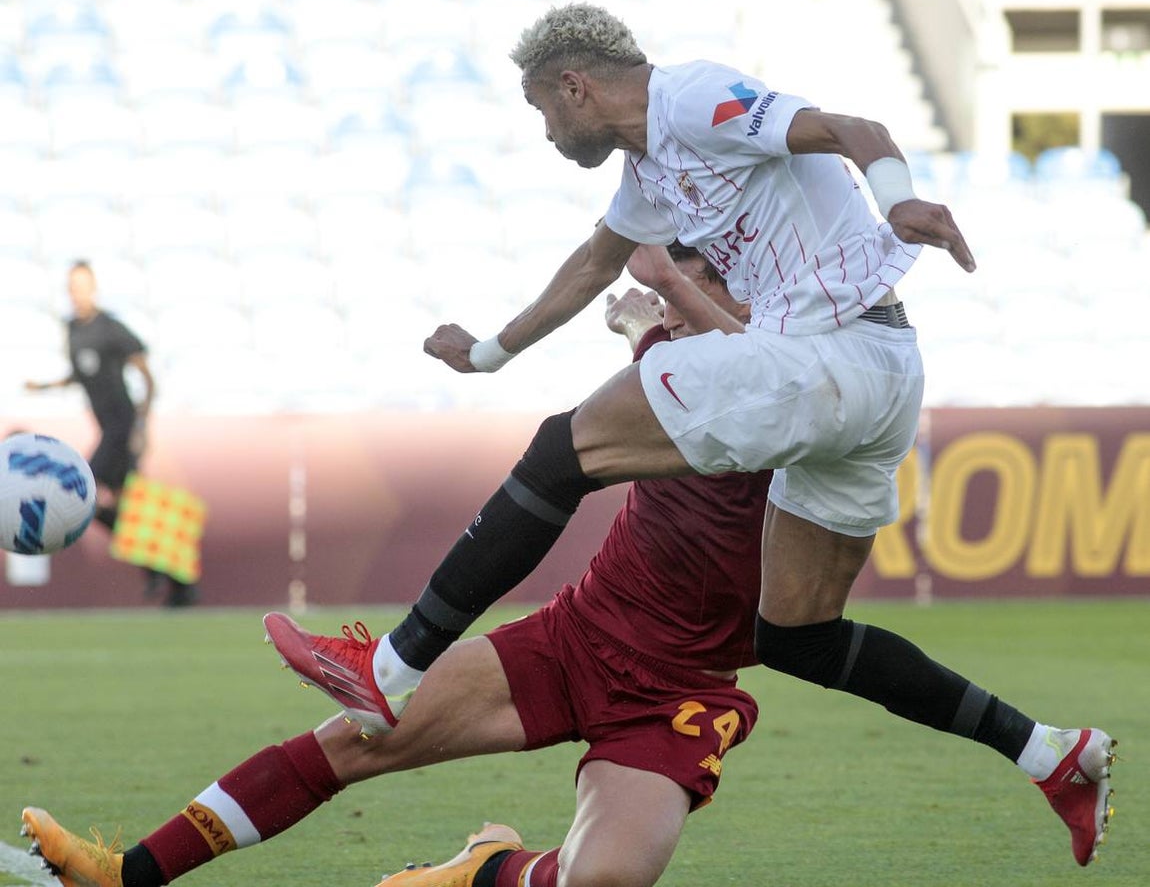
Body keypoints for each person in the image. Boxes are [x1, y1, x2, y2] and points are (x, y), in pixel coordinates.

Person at [266, 3, 1116, 868]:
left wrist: (897, 202)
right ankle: (1049, 752)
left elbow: (857, 128)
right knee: (796, 634)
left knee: (568, 450)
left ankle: (394, 669)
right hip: (882, 374)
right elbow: (595, 263)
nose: (547, 132)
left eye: (542, 111)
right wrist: (487, 354)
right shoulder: (649, 170)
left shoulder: (695, 99)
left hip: (831, 358)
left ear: (575, 87)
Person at [20, 246, 769, 887]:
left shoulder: (804, 401)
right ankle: (126, 872)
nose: (679, 298)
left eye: (700, 283)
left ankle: (485, 870)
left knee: (602, 879)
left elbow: (732, 392)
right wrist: (646, 325)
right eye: (680, 282)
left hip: (679, 688)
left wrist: (645, 320)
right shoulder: (680, 368)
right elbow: (682, 362)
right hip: (574, 640)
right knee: (350, 742)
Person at [23, 260, 197, 607]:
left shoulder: (111, 328)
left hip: (121, 428)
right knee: (127, 510)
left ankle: (164, 575)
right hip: (107, 429)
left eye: (83, 286)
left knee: (81, 491)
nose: (78, 293)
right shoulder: (73, 329)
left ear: (94, 288)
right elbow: (80, 373)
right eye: (72, 287)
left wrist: (142, 426)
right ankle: (175, 582)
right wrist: (44, 386)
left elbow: (146, 376)